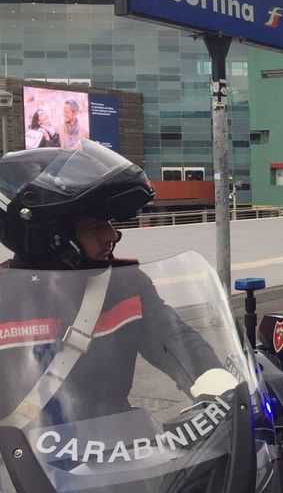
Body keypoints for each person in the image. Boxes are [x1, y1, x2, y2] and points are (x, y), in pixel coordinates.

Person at [0, 141, 227, 429]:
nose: (112, 235)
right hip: (22, 465)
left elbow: (177, 341)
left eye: (109, 222)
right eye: (96, 226)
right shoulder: (4, 297)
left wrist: (222, 390)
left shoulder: (124, 286)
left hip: (117, 453)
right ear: (49, 233)